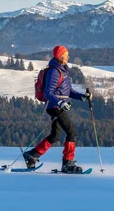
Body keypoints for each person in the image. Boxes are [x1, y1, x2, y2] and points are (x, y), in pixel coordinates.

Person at [23, 45, 92, 173]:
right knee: (72, 131)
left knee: (56, 135)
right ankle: (67, 163)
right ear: (60, 56)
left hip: (58, 106)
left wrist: (82, 97)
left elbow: (69, 92)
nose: (68, 57)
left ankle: (32, 155)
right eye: (66, 55)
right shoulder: (54, 72)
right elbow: (48, 93)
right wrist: (60, 103)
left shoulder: (63, 71)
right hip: (55, 107)